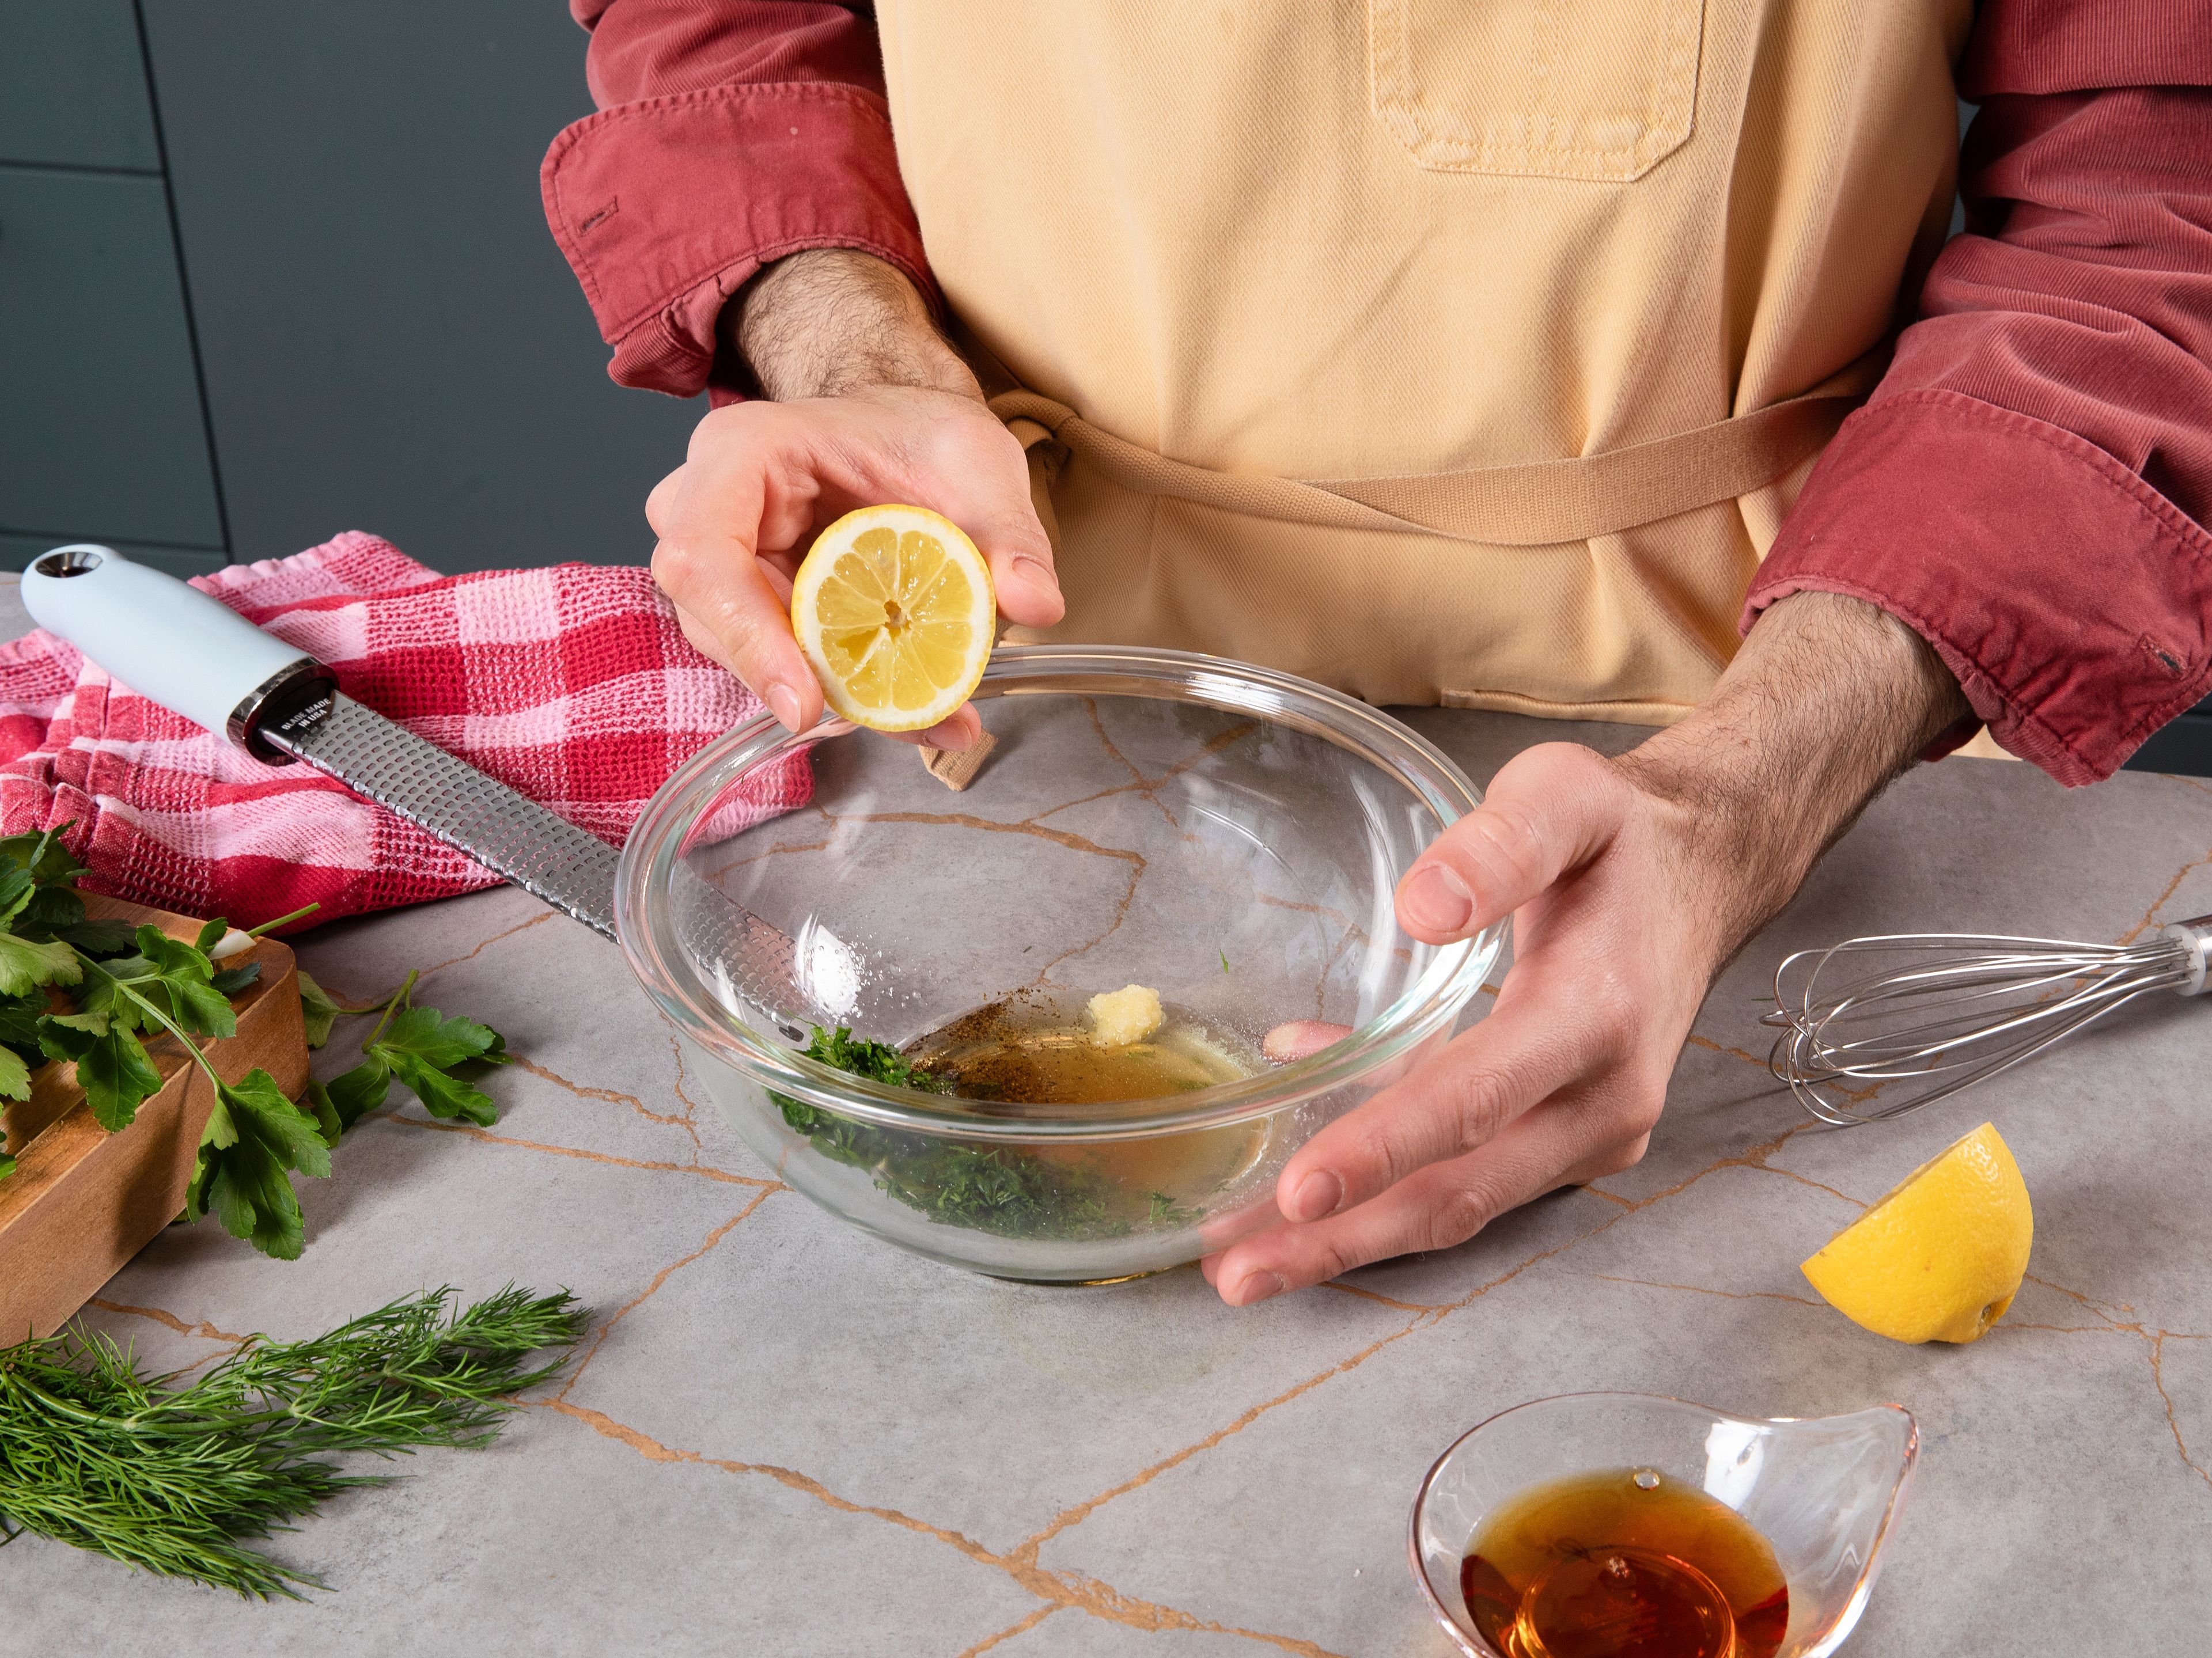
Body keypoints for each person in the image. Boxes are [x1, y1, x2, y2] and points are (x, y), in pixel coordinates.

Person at [542, 1, 2212, 1305]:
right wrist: (846, 351)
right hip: (1020, 691)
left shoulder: (1760, 791)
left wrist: (1740, 806)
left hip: (1768, 720)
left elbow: (2151, 208)